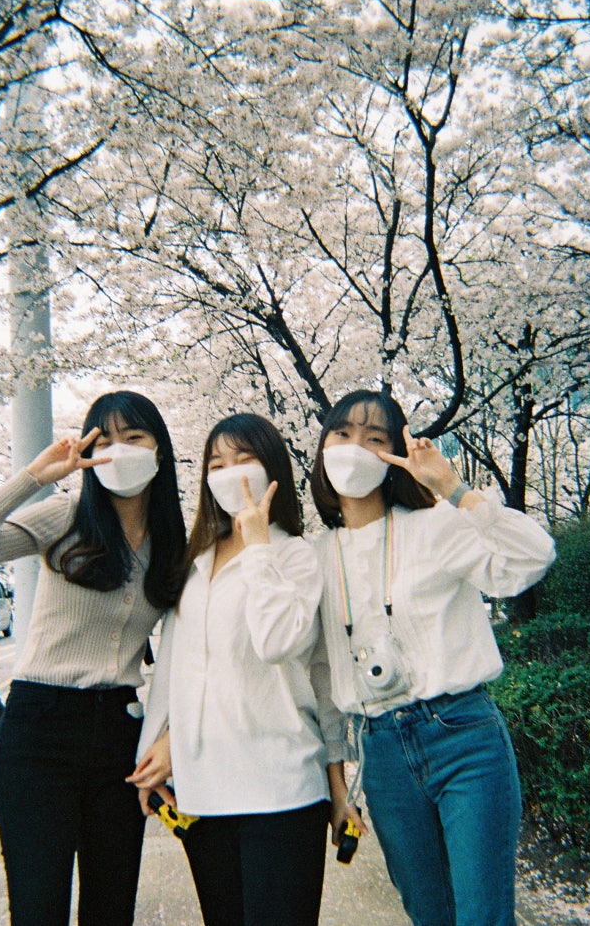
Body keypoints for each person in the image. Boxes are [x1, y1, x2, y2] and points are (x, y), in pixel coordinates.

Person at [0, 390, 186, 926]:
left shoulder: (172, 544)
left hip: (121, 732)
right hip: (40, 730)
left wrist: (169, 734)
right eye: (105, 440)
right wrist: (33, 476)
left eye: (134, 437)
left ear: (160, 450)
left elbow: (190, 651)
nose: (119, 450)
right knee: (38, 907)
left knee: (111, 908)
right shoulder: (65, 516)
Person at [309, 389, 556, 926]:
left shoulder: (436, 525)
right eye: (342, 434)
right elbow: (321, 676)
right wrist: (337, 786)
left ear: (394, 454)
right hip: (380, 752)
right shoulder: (313, 557)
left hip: (462, 735)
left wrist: (452, 488)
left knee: (482, 915)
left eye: (374, 438)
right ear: (323, 446)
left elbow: (533, 557)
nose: (355, 448)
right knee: (429, 913)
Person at [129, 413, 337, 926]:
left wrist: (258, 545)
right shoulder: (196, 560)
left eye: (244, 459)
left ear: (273, 470)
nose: (230, 473)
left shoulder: (296, 555)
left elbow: (277, 643)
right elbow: (179, 665)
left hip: (281, 786)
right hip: (205, 790)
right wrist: (158, 746)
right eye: (217, 464)